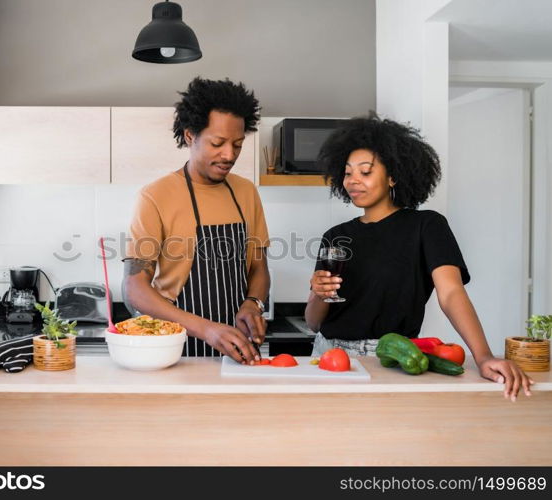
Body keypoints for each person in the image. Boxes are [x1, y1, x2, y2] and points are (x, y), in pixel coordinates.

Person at [304, 113, 533, 401]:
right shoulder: (335, 235)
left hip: (392, 358)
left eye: (365, 172)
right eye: (348, 173)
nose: (353, 181)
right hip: (327, 356)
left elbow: (451, 293)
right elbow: (314, 323)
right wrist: (317, 293)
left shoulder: (426, 226)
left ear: (392, 177)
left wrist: (484, 356)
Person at [123, 77, 270, 364]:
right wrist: (206, 329)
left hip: (238, 347)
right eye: (218, 143)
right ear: (190, 136)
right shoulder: (155, 196)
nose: (229, 155)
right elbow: (134, 287)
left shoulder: (246, 192)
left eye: (237, 145)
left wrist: (253, 303)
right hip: (176, 348)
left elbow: (258, 267)